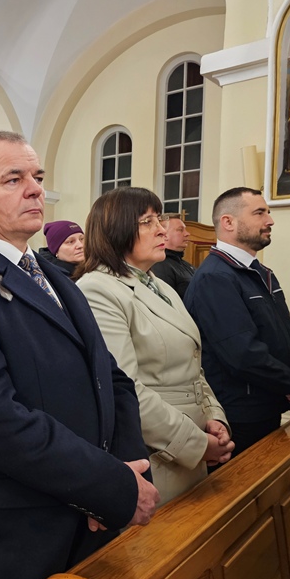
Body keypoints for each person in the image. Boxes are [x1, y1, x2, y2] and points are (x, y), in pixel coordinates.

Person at [0, 131, 158, 579]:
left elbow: (111, 378)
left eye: (38, 177)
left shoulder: (56, 279)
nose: (35, 190)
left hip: (90, 520)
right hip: (18, 538)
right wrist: (108, 486)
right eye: (14, 179)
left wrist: (129, 466)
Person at [75, 187, 233, 504]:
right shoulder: (97, 290)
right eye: (147, 222)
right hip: (158, 452)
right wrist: (196, 443)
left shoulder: (158, 284)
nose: (161, 229)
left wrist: (214, 417)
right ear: (116, 230)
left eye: (159, 219)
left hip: (194, 435)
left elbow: (192, 364)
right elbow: (125, 388)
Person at [185, 187, 290, 457]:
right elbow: (242, 354)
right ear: (228, 222)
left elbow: (280, 336)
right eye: (259, 213)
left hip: (268, 401)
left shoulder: (259, 272)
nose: (270, 220)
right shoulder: (215, 278)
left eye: (268, 212)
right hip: (241, 413)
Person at [150, 213, 196, 299]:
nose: (187, 233)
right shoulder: (161, 265)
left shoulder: (183, 263)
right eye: (180, 230)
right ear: (164, 235)